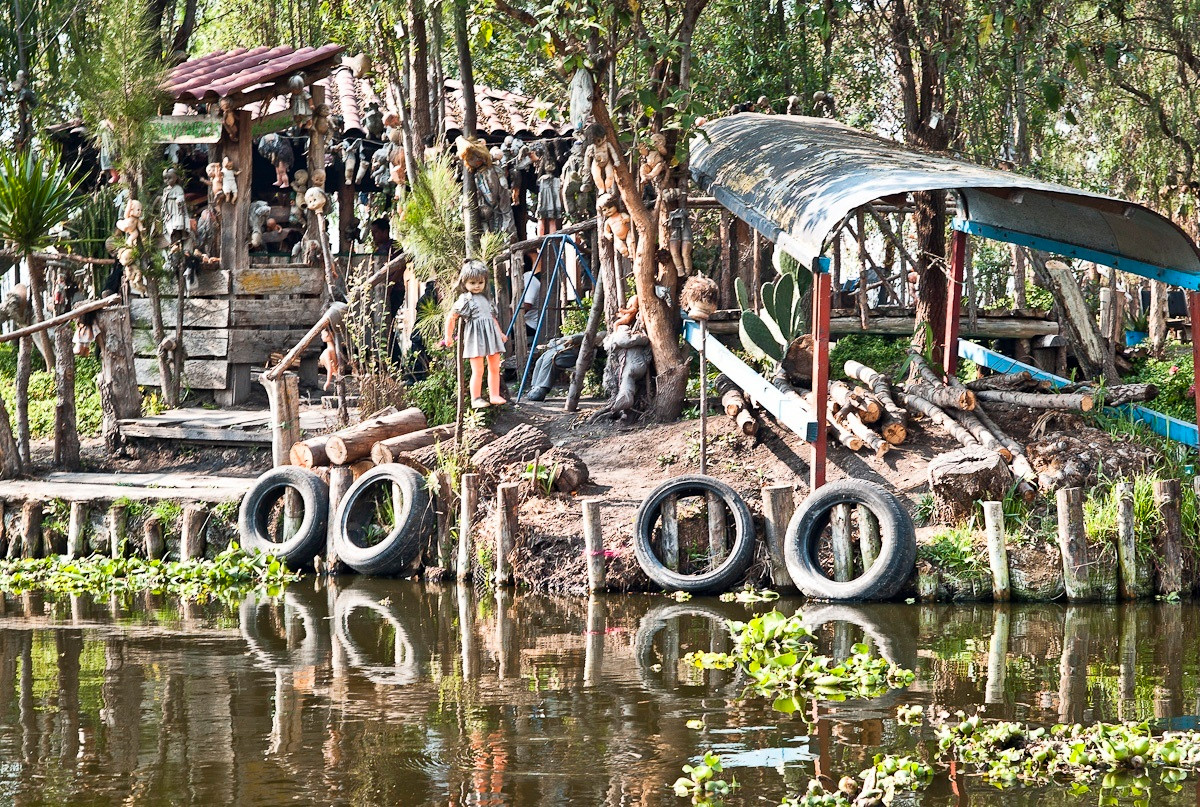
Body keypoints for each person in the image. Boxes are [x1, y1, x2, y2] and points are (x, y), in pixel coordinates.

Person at [443, 260, 508, 409]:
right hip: (475, 337)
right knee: (478, 369)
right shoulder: (465, 299)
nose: (477, 286)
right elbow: (452, 317)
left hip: (491, 336)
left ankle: (494, 394)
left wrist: (500, 333)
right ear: (464, 282)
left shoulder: (486, 299)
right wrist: (448, 335)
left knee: (494, 367)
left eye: (480, 282)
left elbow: (492, 318)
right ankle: (476, 398)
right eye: (472, 283)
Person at [521, 260, 545, 342]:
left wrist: (510, 316)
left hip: (530, 324)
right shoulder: (524, 278)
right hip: (526, 321)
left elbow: (527, 305)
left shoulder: (528, 279)